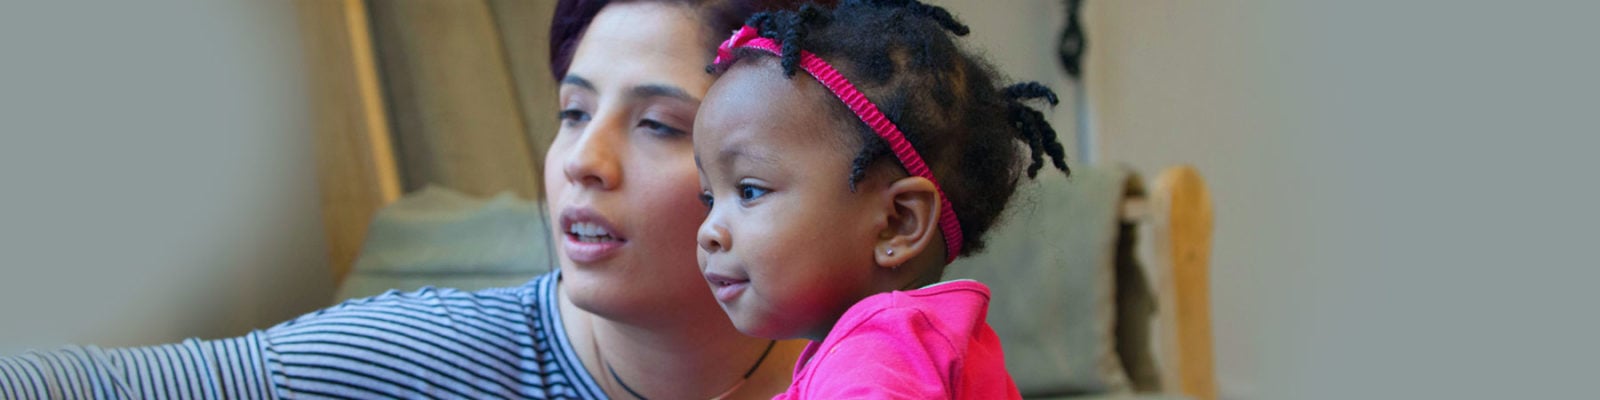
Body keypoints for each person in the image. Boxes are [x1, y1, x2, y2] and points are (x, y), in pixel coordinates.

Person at [0, 0, 824, 398]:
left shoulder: (896, 368)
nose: (583, 160)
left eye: (657, 125)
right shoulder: (421, 358)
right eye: (572, 112)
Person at [691, 1, 1071, 398]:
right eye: (708, 198)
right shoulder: (909, 350)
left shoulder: (875, 366)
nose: (708, 232)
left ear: (897, 222)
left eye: (749, 191)